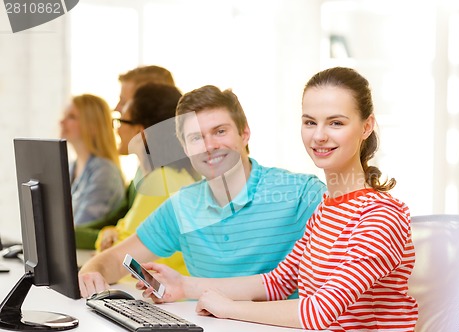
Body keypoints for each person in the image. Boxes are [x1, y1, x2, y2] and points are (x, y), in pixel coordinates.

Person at [136, 68, 419, 332]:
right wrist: (184, 286)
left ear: (366, 126)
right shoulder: (326, 210)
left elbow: (318, 311)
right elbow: (277, 282)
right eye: (310, 122)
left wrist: (229, 308)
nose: (319, 136)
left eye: (335, 123)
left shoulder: (381, 216)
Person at [78, 85, 326, 298]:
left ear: (245, 133)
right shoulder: (183, 207)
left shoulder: (302, 194)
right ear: (184, 147)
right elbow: (113, 260)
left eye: (220, 131)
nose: (210, 146)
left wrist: (187, 288)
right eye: (196, 138)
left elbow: (330, 290)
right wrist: (93, 274)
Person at [93, 84, 200, 277]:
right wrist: (109, 233)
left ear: (141, 132)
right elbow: (120, 233)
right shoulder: (173, 175)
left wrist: (109, 237)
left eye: (121, 121)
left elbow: (122, 259)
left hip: (162, 298)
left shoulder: (161, 182)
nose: (117, 130)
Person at [75, 65, 177, 249]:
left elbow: (128, 245)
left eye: (125, 102)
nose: (116, 108)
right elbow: (120, 223)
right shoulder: (144, 170)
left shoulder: (164, 178)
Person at [60, 94, 125, 226]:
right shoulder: (72, 167)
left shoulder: (104, 172)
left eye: (71, 117)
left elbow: (79, 229)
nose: (61, 122)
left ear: (93, 126)